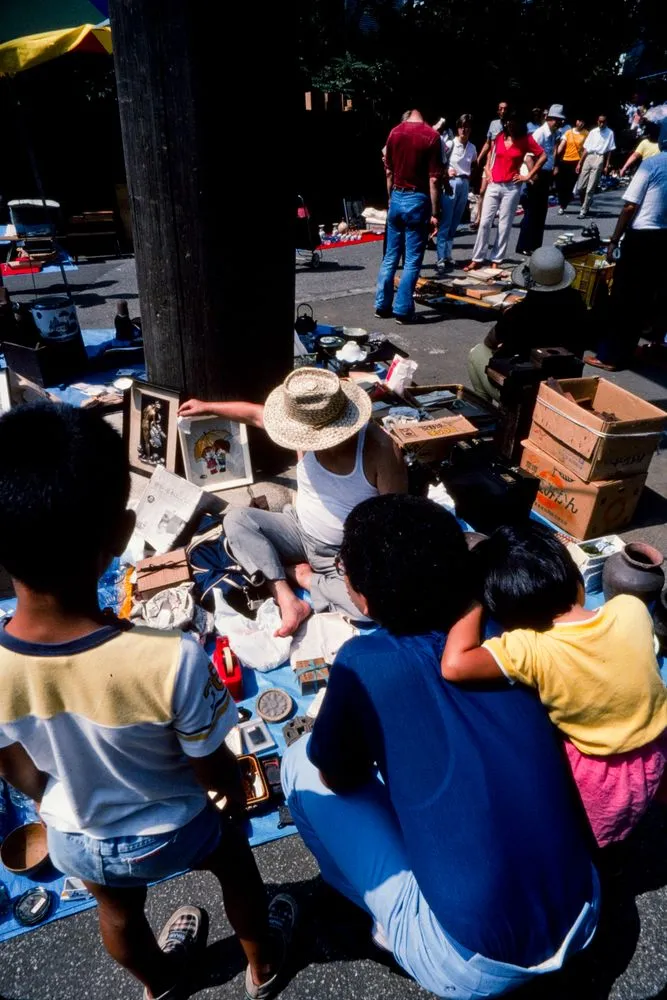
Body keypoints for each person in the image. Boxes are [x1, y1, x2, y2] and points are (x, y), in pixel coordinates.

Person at [0, 403, 297, 1000]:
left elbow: (18, 769)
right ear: (121, 532)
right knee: (236, 863)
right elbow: (211, 766)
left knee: (117, 915)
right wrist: (231, 802)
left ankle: (159, 986)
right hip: (177, 826)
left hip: (80, 840)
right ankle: (262, 969)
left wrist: (68, 793)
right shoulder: (172, 657)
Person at [282, 495, 599, 999]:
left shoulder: (363, 661)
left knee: (299, 765)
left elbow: (339, 778)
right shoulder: (507, 618)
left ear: (361, 598)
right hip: (586, 908)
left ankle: (378, 909)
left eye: (344, 570)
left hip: (474, 964)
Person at [442, 522, 667, 849]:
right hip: (656, 744)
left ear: (507, 617)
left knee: (584, 834)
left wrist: (474, 599)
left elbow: (454, 665)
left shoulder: (529, 648)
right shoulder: (629, 607)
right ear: (575, 577)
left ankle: (601, 866)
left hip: (603, 772)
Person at [179, 368, 407, 635]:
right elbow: (254, 414)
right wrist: (206, 407)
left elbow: (395, 525)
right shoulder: (299, 428)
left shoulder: (380, 450)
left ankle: (300, 576)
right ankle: (286, 597)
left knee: (371, 609)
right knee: (237, 520)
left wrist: (352, 566)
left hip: (345, 553)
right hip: (299, 529)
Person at [467, 246, 589, 401]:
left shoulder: (521, 312)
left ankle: (484, 409)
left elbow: (490, 342)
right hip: (566, 385)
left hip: (525, 393)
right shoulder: (578, 304)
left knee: (477, 352)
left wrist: (507, 317)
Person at [586, 144, 667, 371]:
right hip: (663, 238)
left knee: (623, 297)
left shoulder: (652, 164)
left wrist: (614, 239)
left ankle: (610, 356)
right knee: (643, 299)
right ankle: (627, 352)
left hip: (642, 236)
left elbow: (630, 206)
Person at [374, 108, 442, 323]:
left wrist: (390, 199)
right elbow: (434, 180)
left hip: (396, 196)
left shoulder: (395, 132)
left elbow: (388, 172)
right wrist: (435, 212)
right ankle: (403, 310)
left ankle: (382, 305)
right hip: (417, 199)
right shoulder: (431, 136)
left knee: (391, 255)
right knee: (412, 259)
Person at [465, 110, 546, 271]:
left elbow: (543, 155)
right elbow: (491, 153)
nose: (510, 125)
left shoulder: (526, 139)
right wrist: (488, 169)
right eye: (508, 122)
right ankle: (477, 258)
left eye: (513, 122)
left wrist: (528, 175)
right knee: (485, 222)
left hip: (511, 186)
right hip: (494, 184)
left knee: (504, 224)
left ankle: (497, 259)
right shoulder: (500, 136)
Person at [516, 104, 566, 255]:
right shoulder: (540, 133)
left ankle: (535, 245)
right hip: (538, 173)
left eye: (560, 121)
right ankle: (524, 245)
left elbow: (552, 154)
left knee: (541, 212)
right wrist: (533, 174)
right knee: (532, 211)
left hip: (546, 173)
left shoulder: (553, 134)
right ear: (549, 119)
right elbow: (528, 156)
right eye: (556, 120)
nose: (558, 123)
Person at [435, 114, 477, 273]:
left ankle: (448, 255)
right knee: (446, 220)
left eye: (466, 127)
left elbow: (473, 165)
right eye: (461, 126)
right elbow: (439, 161)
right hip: (451, 183)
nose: (463, 130)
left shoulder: (472, 147)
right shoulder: (450, 143)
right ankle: (440, 258)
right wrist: (446, 172)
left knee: (455, 221)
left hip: (464, 183)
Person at [471, 100, 510, 230]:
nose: (503, 111)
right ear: (498, 110)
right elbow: (488, 143)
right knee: (482, 190)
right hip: (490, 160)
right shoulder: (493, 124)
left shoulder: (511, 125)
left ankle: (490, 216)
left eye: (505, 109)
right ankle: (479, 218)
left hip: (503, 163)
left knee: (497, 192)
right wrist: (479, 158)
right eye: (501, 108)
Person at [576, 115, 616, 218]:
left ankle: (583, 210)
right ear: (597, 121)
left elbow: (610, 150)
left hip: (599, 157)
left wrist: (607, 165)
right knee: (581, 187)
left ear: (606, 122)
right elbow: (586, 148)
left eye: (603, 122)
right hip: (589, 157)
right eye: (600, 122)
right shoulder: (593, 132)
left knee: (591, 186)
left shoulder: (610, 133)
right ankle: (587, 201)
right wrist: (580, 162)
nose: (601, 124)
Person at [556, 117, 589, 213]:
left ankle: (563, 205)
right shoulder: (568, 132)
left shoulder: (586, 134)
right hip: (565, 160)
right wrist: (555, 155)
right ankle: (562, 202)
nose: (581, 123)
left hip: (576, 161)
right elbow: (562, 145)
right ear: (576, 121)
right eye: (579, 120)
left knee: (570, 184)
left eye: (583, 121)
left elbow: (586, 149)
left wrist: (580, 163)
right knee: (561, 184)